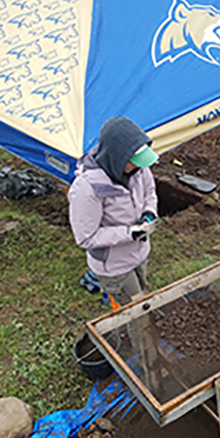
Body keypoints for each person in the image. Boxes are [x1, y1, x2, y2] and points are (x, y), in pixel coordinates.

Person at [68, 116, 159, 307]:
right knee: (134, 311)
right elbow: (86, 237)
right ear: (116, 158)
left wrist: (149, 212)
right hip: (113, 265)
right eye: (133, 161)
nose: (139, 166)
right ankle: (130, 335)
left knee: (141, 298)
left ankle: (138, 328)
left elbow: (150, 191)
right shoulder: (87, 188)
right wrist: (130, 233)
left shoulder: (138, 169)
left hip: (139, 253)